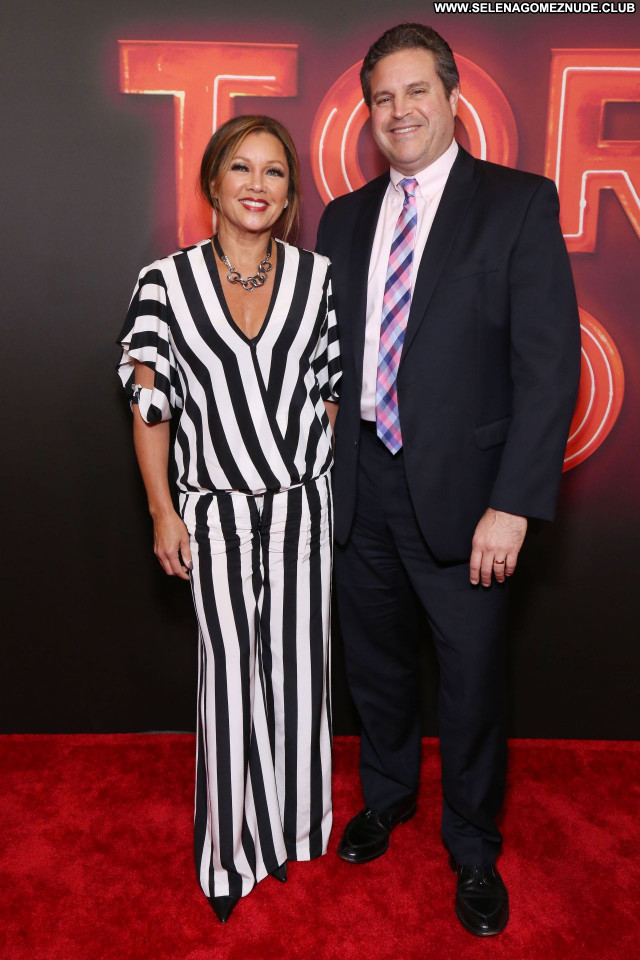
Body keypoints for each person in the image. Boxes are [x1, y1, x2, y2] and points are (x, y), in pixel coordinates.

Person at [316, 23, 580, 936]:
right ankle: (387, 796)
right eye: (382, 97)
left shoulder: (517, 203)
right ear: (368, 111)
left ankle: (472, 844)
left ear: (453, 97)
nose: (399, 112)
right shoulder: (344, 219)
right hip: (359, 483)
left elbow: (549, 368)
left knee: (470, 681)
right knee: (375, 665)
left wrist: (513, 503)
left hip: (470, 499)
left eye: (415, 91)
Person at [118, 115, 340, 924]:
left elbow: (329, 391)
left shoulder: (318, 279)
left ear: (289, 194)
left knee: (301, 678)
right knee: (229, 681)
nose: (257, 185)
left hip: (302, 510)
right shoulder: (164, 283)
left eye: (274, 172)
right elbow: (149, 407)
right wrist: (163, 510)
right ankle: (228, 850)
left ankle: (292, 831)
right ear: (212, 182)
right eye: (241, 168)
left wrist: (303, 464)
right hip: (212, 513)